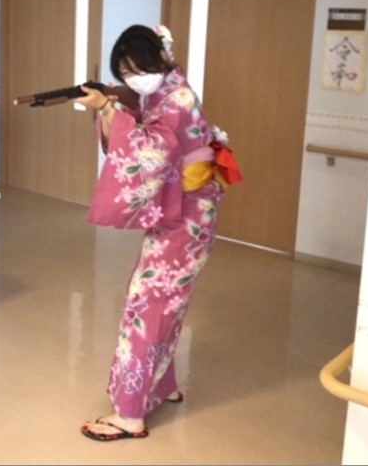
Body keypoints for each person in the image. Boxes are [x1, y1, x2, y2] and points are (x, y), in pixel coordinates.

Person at [75, 23, 242, 442]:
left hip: (186, 216)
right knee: (167, 303)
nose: (133, 79)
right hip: (191, 212)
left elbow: (149, 150)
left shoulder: (176, 99)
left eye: (137, 70)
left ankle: (130, 414)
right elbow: (146, 128)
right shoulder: (168, 90)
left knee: (146, 303)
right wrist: (116, 104)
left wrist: (108, 109)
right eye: (124, 73)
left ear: (160, 58)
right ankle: (162, 385)